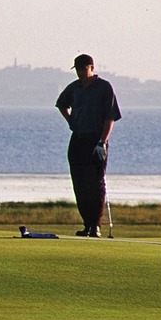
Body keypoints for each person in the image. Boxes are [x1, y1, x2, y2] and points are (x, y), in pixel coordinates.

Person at [55, 53, 121, 237]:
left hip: (96, 140)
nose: (80, 73)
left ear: (91, 67)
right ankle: (86, 224)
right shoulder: (74, 88)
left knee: (96, 183)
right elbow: (61, 104)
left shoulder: (104, 87)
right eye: (77, 69)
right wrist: (71, 121)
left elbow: (110, 117)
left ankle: (95, 225)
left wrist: (102, 141)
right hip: (78, 139)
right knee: (80, 183)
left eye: (83, 69)